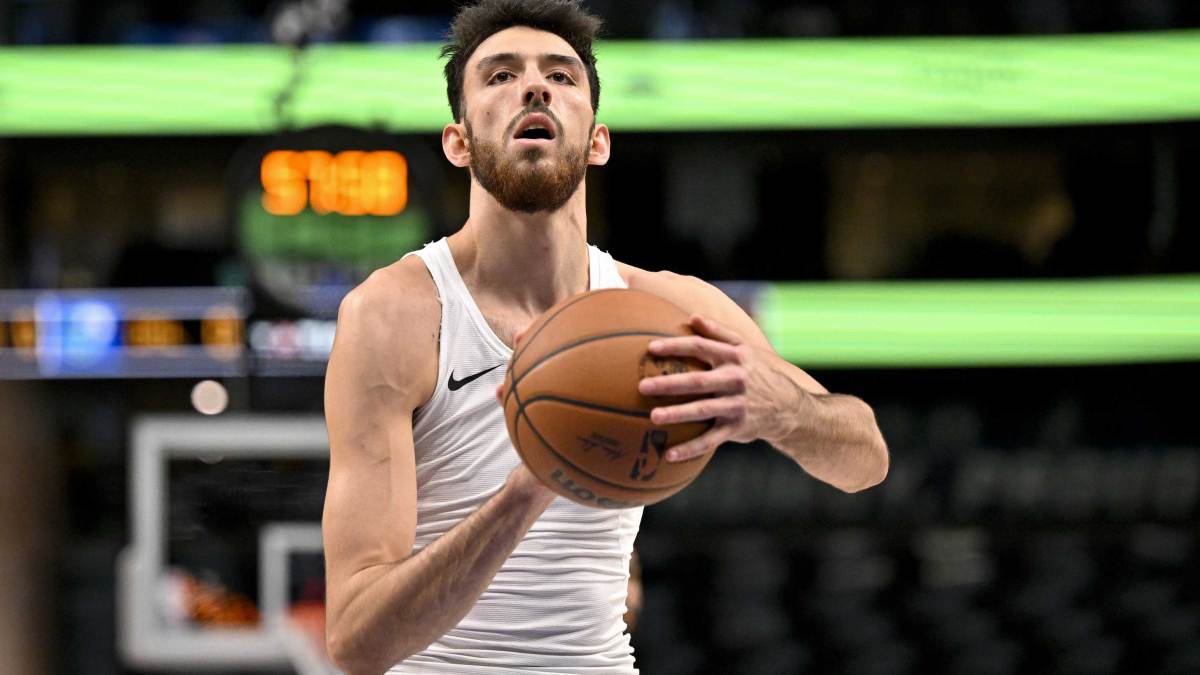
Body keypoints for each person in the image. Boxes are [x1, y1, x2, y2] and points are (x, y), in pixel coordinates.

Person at [321, 1, 889, 672]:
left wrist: (782, 411)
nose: (534, 87)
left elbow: (866, 459)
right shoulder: (392, 315)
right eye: (499, 76)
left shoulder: (668, 308)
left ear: (598, 141)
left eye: (561, 76)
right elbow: (356, 642)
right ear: (459, 141)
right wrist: (524, 492)